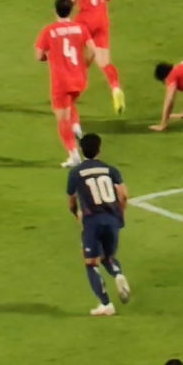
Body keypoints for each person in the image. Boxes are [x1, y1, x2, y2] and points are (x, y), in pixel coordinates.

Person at [66, 132, 130, 316]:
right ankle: (118, 274)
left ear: (81, 150)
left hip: (92, 221)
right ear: (99, 150)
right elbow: (124, 195)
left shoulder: (76, 172)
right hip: (111, 219)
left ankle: (106, 305)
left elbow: (71, 202)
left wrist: (76, 215)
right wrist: (119, 216)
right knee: (108, 258)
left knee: (91, 263)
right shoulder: (111, 170)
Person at [67, 0, 124, 112]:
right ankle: (115, 87)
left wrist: (64, 6)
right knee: (103, 60)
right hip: (101, 18)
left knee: (70, 54)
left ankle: (72, 91)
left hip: (84, 19)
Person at [35, 0, 94, 165]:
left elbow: (39, 55)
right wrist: (85, 65)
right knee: (69, 103)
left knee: (61, 118)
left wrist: (48, 57)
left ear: (55, 11)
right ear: (71, 10)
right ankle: (76, 126)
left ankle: (73, 154)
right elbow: (93, 50)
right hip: (79, 80)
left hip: (61, 82)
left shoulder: (49, 30)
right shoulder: (80, 28)